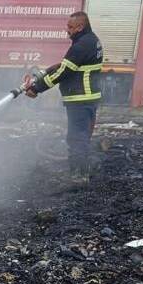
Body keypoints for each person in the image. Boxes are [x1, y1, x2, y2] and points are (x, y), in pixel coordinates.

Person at [25, 11, 103, 178]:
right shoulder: (91, 40)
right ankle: (83, 172)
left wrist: (36, 89)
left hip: (80, 100)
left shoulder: (81, 45)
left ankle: (79, 177)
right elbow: (69, 65)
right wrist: (52, 69)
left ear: (80, 26)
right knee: (82, 137)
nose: (67, 29)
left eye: (70, 27)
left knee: (76, 139)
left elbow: (64, 72)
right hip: (88, 99)